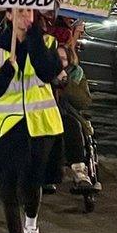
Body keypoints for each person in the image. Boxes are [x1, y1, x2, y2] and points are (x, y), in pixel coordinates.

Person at [0, 8, 63, 233]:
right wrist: (6, 70)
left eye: (28, 10)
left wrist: (35, 38)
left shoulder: (46, 41)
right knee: (8, 186)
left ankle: (31, 226)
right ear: (8, 15)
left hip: (41, 125)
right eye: (19, 11)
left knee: (31, 183)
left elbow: (48, 71)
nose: (24, 16)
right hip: (7, 126)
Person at [48, 44, 94, 190]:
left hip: (68, 115)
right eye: (57, 59)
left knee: (72, 125)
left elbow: (83, 102)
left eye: (63, 59)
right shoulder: (44, 74)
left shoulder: (76, 75)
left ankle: (79, 171)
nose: (60, 63)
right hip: (47, 114)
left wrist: (66, 83)